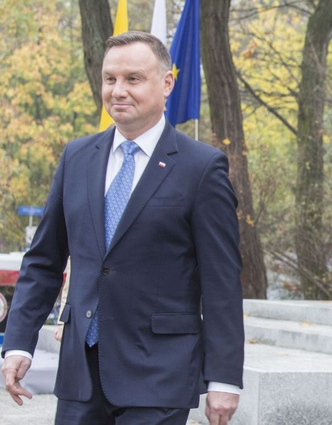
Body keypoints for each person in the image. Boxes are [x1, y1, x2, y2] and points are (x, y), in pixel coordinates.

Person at [1, 31, 245, 425]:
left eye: (133, 78)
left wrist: (224, 378)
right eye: (110, 79)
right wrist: (18, 345)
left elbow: (222, 280)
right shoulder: (77, 158)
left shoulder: (202, 167)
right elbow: (44, 261)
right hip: (81, 375)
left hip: (160, 375)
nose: (118, 90)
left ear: (167, 83)